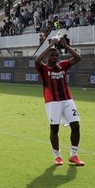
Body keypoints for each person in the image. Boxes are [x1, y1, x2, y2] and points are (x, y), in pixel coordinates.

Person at [35, 35, 84, 166]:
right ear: (48, 57)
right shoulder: (44, 68)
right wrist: (50, 46)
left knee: (76, 126)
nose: (55, 58)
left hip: (68, 100)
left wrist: (66, 46)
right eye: (52, 56)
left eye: (57, 56)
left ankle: (73, 155)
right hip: (52, 102)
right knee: (54, 129)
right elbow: (37, 61)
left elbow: (78, 58)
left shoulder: (63, 66)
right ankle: (57, 156)